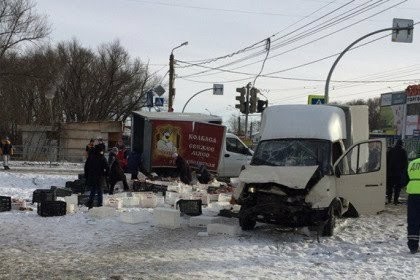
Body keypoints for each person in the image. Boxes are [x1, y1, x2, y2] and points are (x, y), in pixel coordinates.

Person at [387, 140, 408, 205]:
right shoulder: (403, 151)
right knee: (397, 188)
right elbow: (405, 163)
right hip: (398, 173)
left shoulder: (391, 151)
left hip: (390, 173)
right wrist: (403, 171)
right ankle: (395, 200)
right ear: (402, 144)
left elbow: (387, 161)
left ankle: (389, 199)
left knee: (390, 187)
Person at [406, 157, 420, 254]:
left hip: (413, 195)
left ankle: (413, 246)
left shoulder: (412, 163)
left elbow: (405, 178)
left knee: (413, 220)